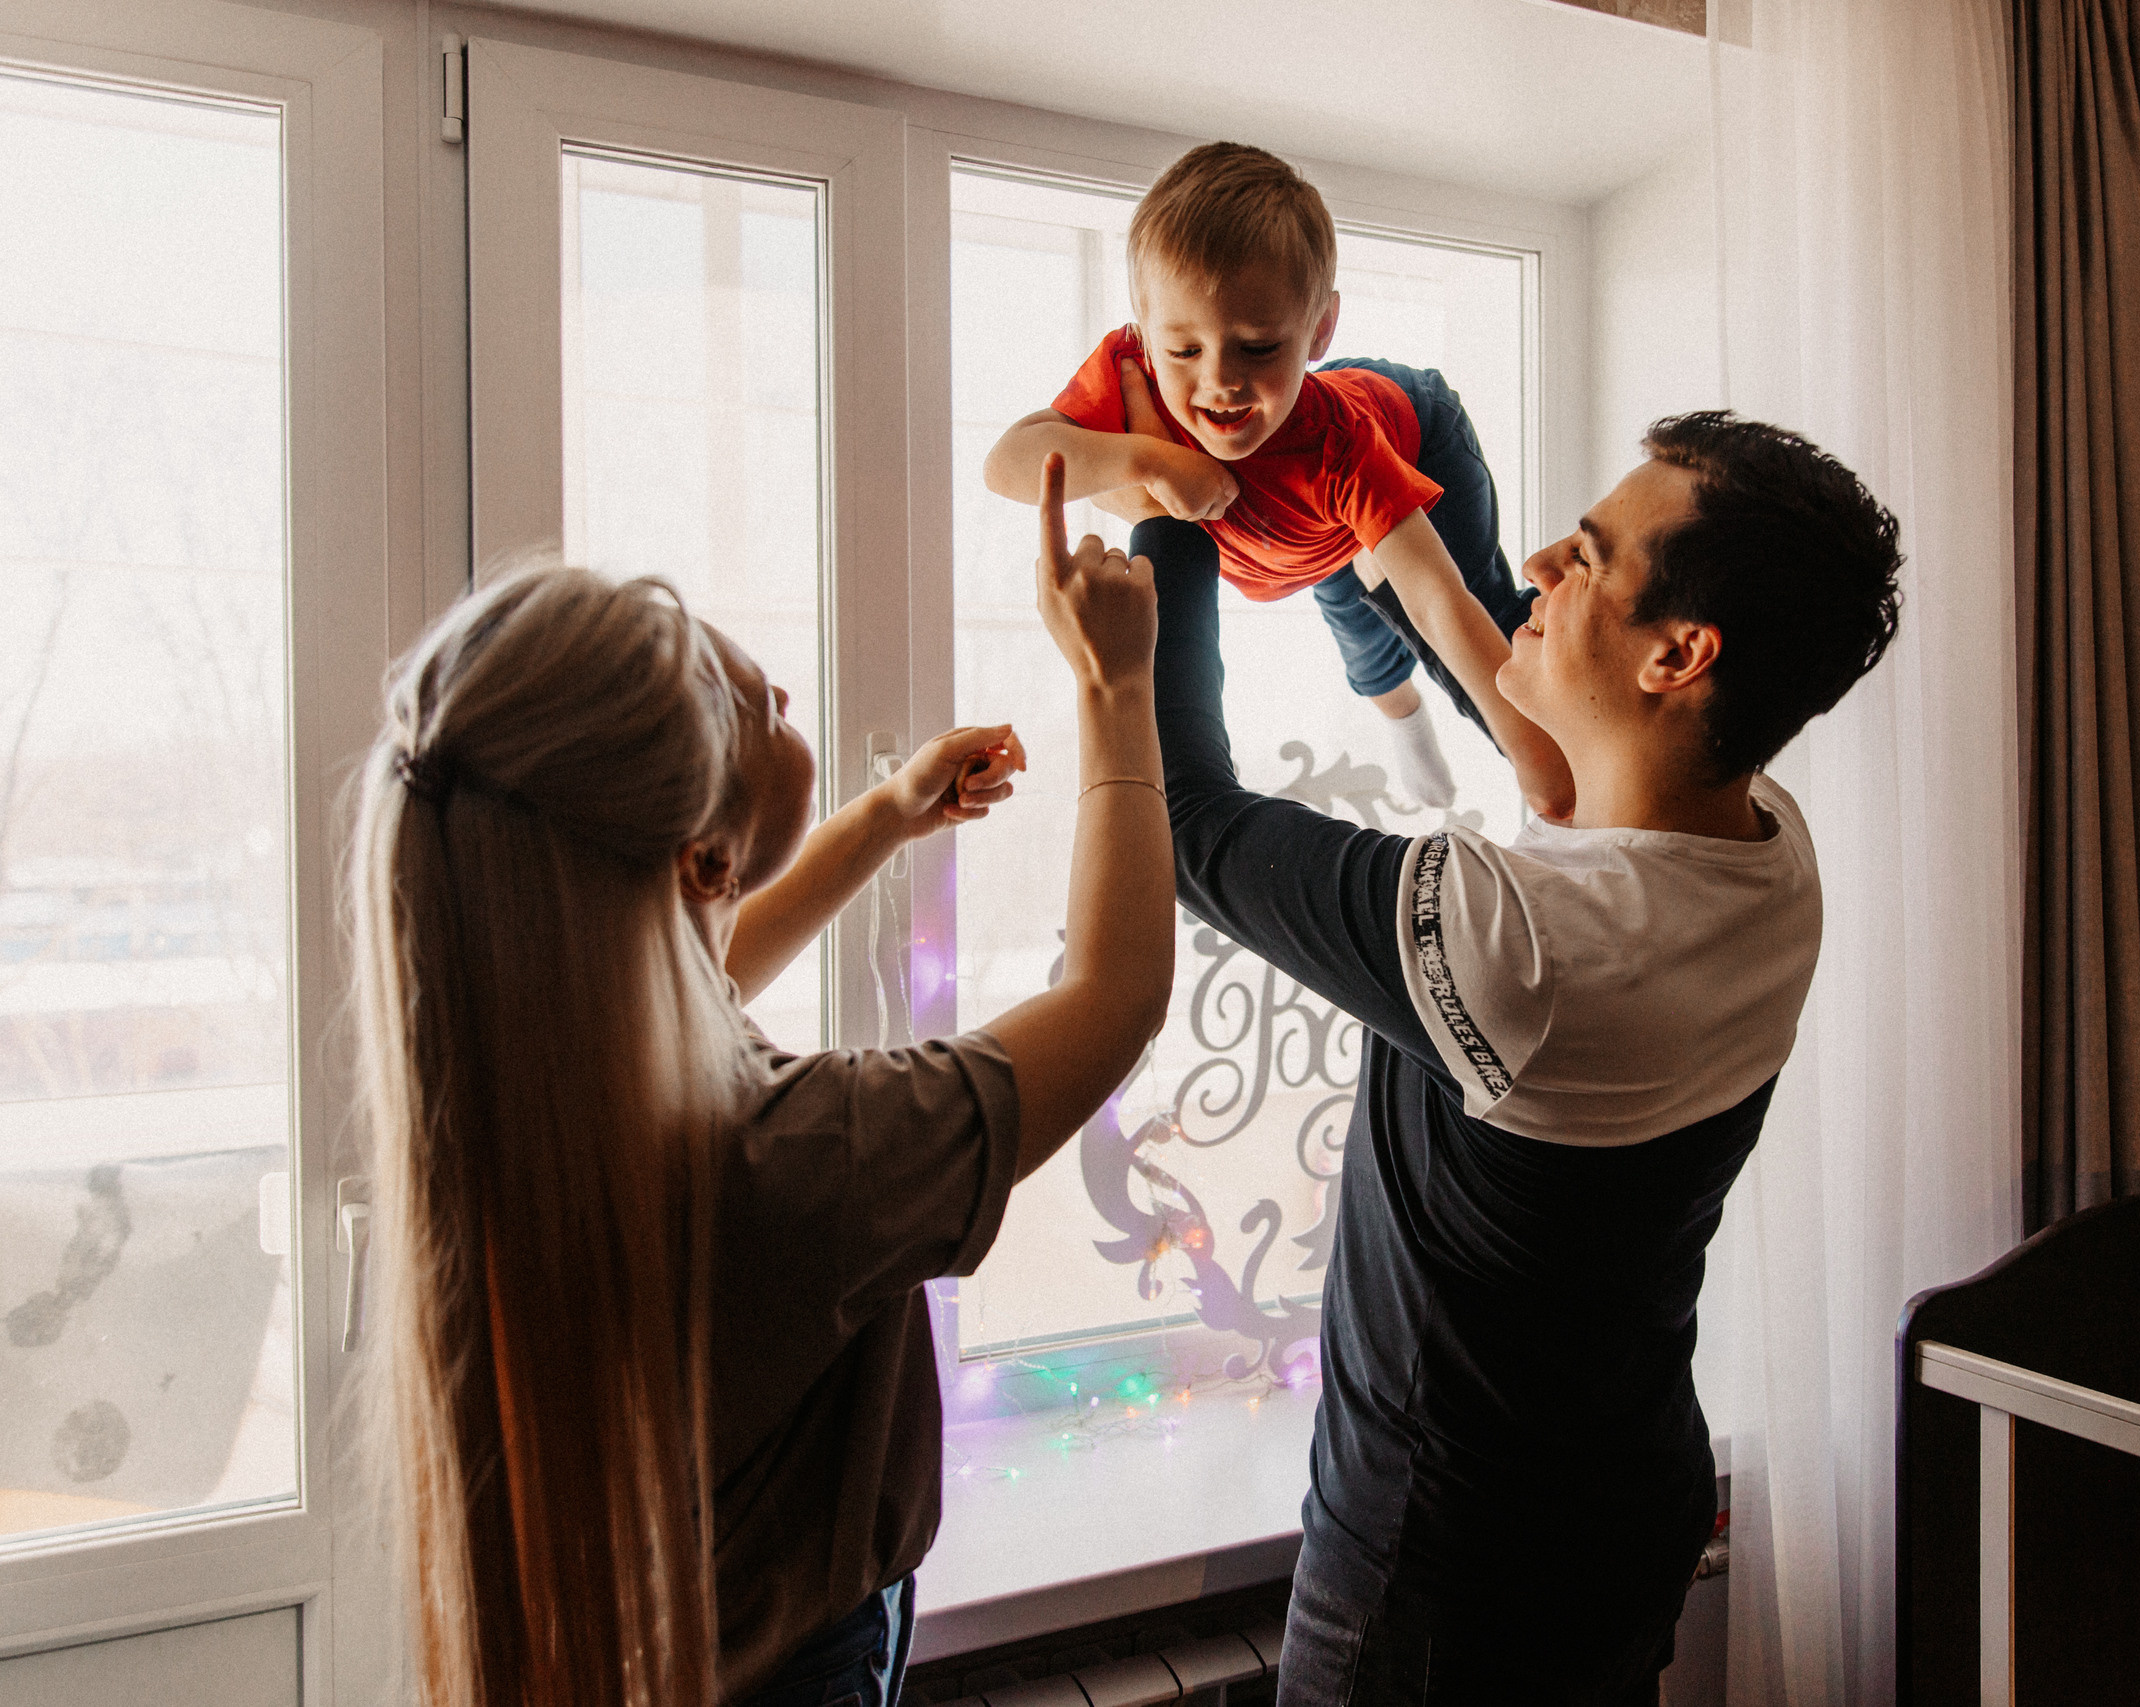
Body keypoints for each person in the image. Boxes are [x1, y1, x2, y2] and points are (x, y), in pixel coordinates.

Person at [349, 455, 1169, 1707]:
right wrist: (1116, 687)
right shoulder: (799, 1158)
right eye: (750, 711)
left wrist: (884, 819)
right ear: (701, 860)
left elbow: (698, 970)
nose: (780, 690)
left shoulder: (528, 1089)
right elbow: (1111, 1002)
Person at [1131, 381, 1905, 1703]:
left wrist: (1176, 506)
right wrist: (1376, 424)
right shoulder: (1770, 846)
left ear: (1681, 655)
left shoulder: (1527, 949)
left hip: (1446, 1578)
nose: (1543, 564)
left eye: (1589, 558)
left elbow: (1188, 822)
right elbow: (1552, 732)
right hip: (1624, 1506)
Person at [982, 141, 1573, 820]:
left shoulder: (1341, 447)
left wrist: (1541, 768)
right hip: (1307, 532)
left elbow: (1441, 600)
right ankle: (1404, 717)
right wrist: (1149, 460)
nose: (1220, 380)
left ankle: (1543, 741)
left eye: (1258, 347)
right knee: (1364, 645)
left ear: (1319, 329)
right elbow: (1007, 464)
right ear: (1146, 337)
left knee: (1470, 609)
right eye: (1184, 350)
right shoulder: (1133, 379)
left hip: (1415, 429)